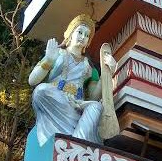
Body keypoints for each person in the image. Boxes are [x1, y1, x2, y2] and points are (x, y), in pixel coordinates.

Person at [28, 14, 115, 146]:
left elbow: (93, 96)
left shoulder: (90, 68)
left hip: (76, 105)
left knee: (96, 107)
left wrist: (106, 73)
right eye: (80, 32)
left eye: (87, 35)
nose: (83, 37)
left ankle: (77, 141)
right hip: (56, 99)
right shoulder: (57, 53)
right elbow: (32, 81)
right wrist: (49, 60)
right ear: (70, 33)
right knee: (41, 90)